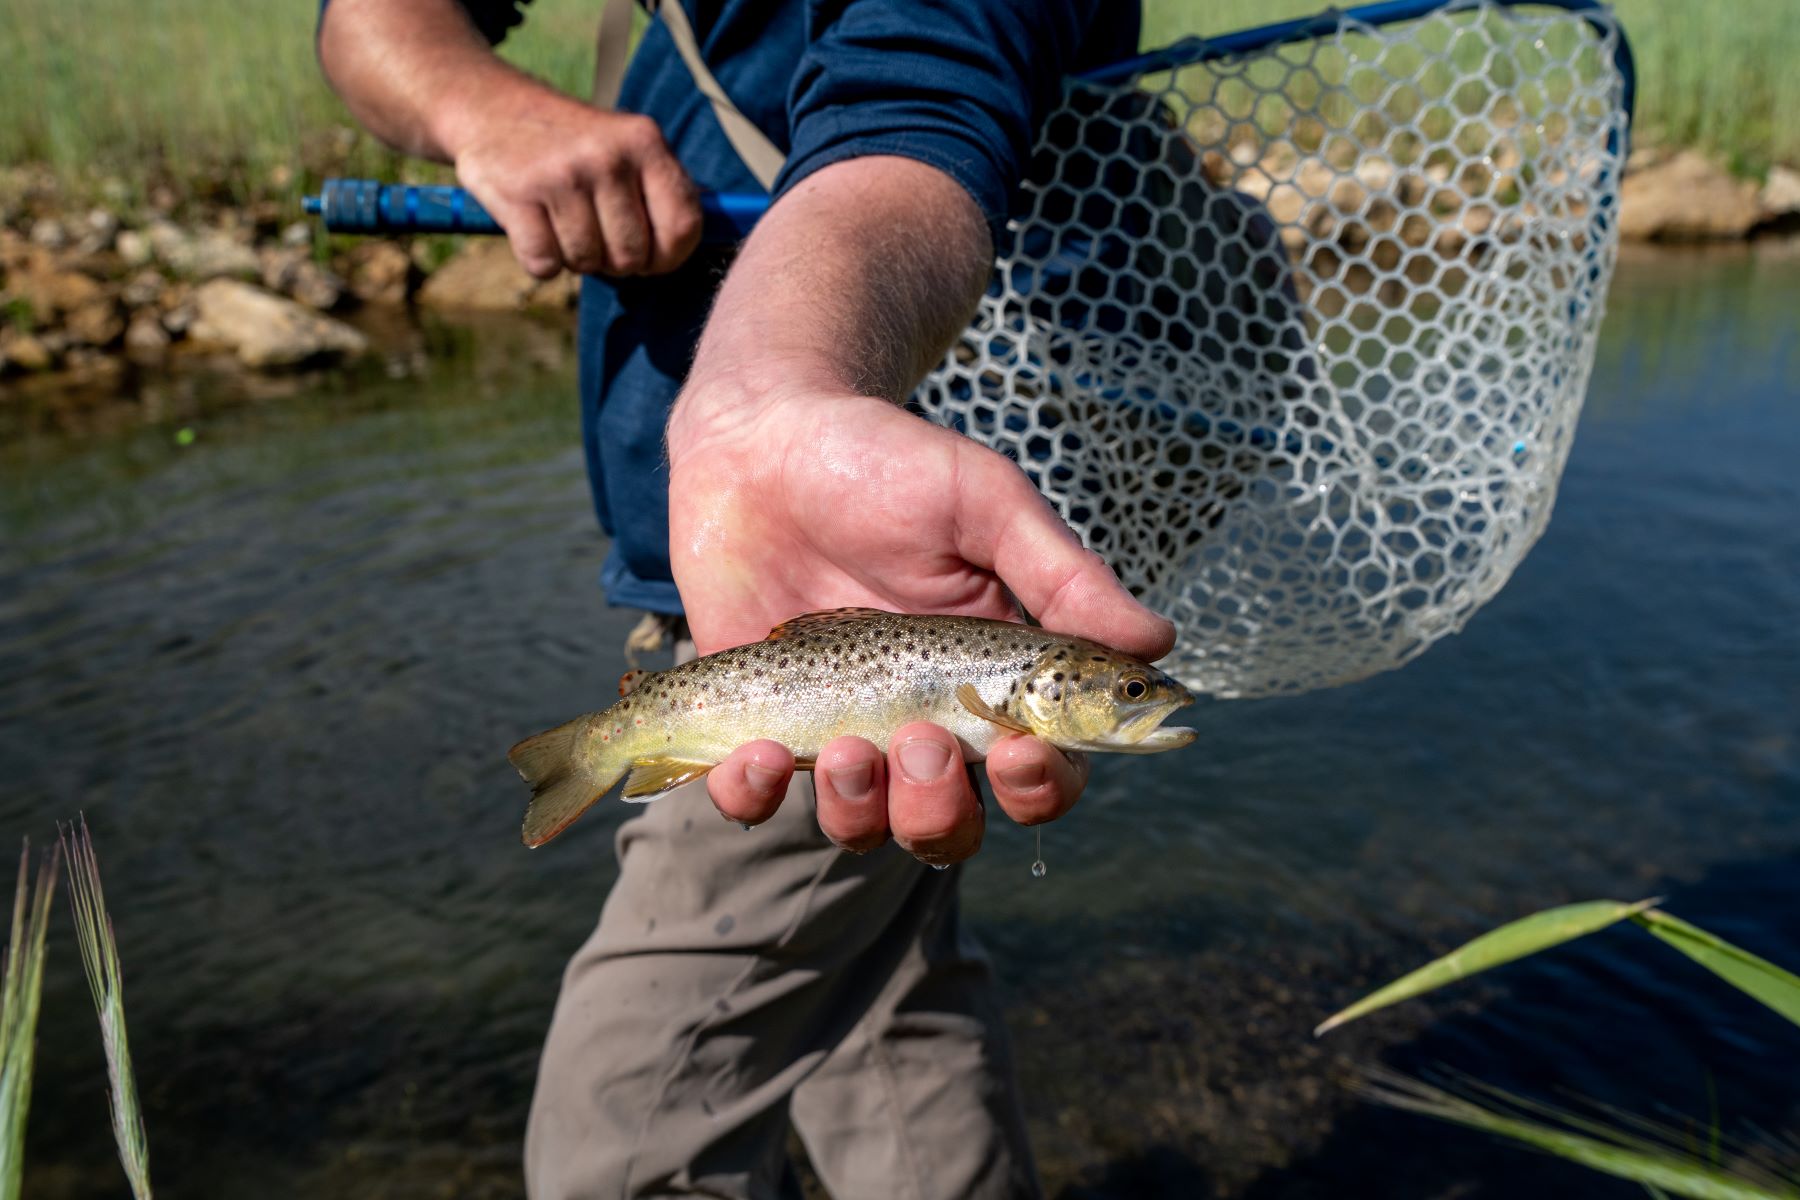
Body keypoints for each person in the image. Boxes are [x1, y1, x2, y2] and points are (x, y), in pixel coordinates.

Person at [318, 2, 1173, 1194]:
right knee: (883, 1024)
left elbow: (924, 96)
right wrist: (483, 104)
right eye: (1123, 694)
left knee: (624, 1136)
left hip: (852, 560)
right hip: (724, 581)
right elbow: (372, 20)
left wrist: (773, 377)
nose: (1144, 702)